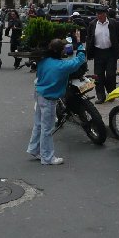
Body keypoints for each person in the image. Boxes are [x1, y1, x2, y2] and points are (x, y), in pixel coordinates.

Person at [27, 31, 86, 166]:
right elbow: (80, 59)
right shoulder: (62, 66)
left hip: (39, 93)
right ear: (61, 51)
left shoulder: (44, 61)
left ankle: (34, 149)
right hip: (48, 98)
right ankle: (47, 157)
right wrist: (79, 44)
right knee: (47, 129)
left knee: (38, 124)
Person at [86, 5, 119, 103]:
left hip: (111, 52)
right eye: (97, 14)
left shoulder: (114, 23)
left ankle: (111, 94)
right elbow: (89, 39)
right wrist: (88, 51)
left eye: (101, 14)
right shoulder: (93, 24)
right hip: (98, 52)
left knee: (111, 75)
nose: (99, 16)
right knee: (98, 76)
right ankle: (101, 96)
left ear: (105, 14)